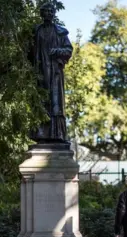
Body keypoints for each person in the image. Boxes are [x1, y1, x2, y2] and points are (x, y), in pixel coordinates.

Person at [28, 2, 73, 143]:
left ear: (54, 14)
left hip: (55, 73)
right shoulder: (35, 31)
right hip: (40, 72)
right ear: (41, 14)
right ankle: (40, 134)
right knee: (41, 102)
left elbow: (69, 50)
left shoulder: (61, 31)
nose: (48, 13)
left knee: (56, 103)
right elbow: (28, 52)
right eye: (45, 11)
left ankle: (57, 135)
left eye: (50, 11)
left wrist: (57, 51)